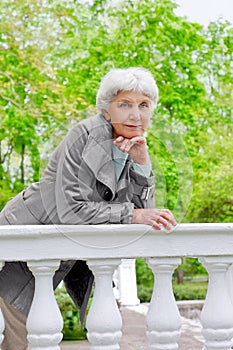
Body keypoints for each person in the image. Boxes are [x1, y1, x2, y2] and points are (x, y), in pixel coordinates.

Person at [0, 67, 177, 349]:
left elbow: (145, 213)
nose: (135, 115)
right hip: (19, 244)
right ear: (107, 111)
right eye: (125, 104)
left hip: (53, 253)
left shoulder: (131, 144)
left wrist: (142, 161)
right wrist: (130, 214)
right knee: (20, 335)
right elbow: (73, 211)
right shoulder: (84, 136)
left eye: (144, 105)